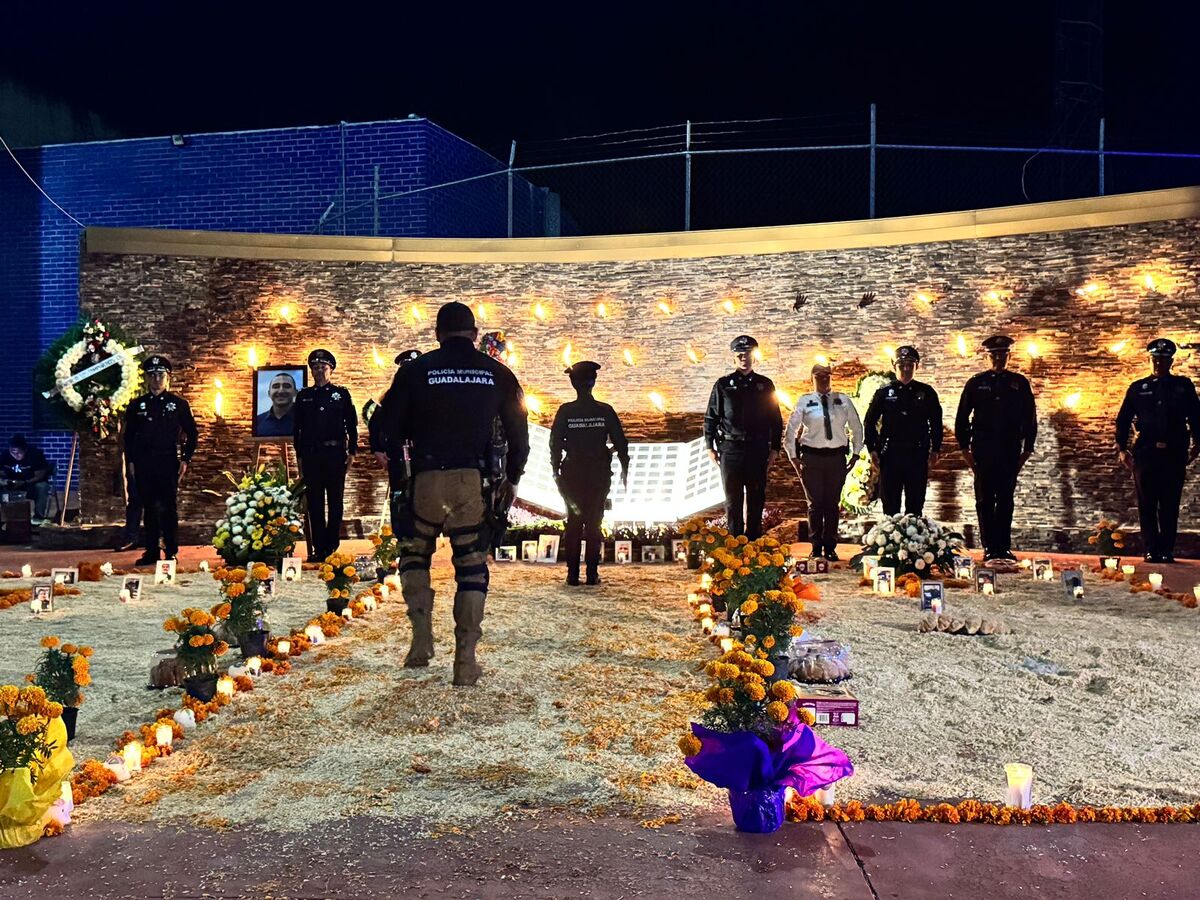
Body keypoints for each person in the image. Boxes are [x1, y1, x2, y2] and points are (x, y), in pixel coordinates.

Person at [379, 302, 529, 686]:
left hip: (426, 478)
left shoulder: (416, 371)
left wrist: (399, 470)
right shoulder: (497, 372)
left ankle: (421, 642)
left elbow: (384, 431)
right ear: (475, 334)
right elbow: (518, 437)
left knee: (414, 556)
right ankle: (465, 662)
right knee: (471, 567)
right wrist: (512, 479)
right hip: (471, 481)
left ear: (437, 334)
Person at [1115, 338, 1200, 563]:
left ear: (1170, 361)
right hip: (1146, 453)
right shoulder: (1138, 388)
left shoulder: (1183, 386)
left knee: (1170, 503)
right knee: (1147, 503)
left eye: (1163, 360)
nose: (1159, 364)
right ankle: (1151, 549)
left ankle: (1167, 549)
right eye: (1155, 359)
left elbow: (1196, 417)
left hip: (1174, 452)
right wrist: (1122, 448)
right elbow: (1123, 419)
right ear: (1150, 360)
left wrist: (1198, 443)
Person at [954, 335, 1037, 563]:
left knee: (1006, 500)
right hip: (983, 449)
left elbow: (1030, 418)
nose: (998, 359)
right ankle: (989, 546)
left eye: (1003, 355)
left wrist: (1027, 449)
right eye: (994, 355)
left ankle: (1004, 547)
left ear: (1009, 356)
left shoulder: (1019, 383)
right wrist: (964, 449)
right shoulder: (976, 383)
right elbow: (962, 417)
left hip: (1009, 448)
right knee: (985, 500)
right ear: (987, 357)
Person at [550, 361, 630, 586]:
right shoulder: (604, 410)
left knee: (574, 522)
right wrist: (623, 466)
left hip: (572, 473)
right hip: (598, 473)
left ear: (573, 383)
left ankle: (573, 575)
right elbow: (621, 442)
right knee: (594, 522)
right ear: (593, 382)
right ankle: (592, 574)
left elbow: (555, 442)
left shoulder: (566, 411)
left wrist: (555, 469)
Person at [703, 335, 783, 539]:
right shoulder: (723, 385)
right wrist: (709, 446)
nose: (744, 358)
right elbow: (711, 417)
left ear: (753, 356)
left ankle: (754, 542)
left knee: (757, 497)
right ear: (734, 357)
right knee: (733, 499)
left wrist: (775, 448)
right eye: (740, 355)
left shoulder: (765, 385)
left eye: (747, 354)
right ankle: (735, 543)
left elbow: (775, 418)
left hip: (757, 448)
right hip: (730, 448)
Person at [123, 356, 198, 565]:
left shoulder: (179, 404)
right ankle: (152, 550)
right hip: (144, 462)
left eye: (161, 375)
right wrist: (130, 462)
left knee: (168, 507)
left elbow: (192, 433)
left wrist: (186, 459)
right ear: (146, 378)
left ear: (168, 378)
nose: (156, 379)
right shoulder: (137, 405)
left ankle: (171, 550)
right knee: (149, 507)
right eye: (152, 375)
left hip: (167, 461)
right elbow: (129, 437)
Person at [785, 362, 864, 560]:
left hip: (836, 458)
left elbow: (856, 426)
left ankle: (830, 546)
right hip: (812, 458)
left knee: (832, 503)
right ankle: (816, 546)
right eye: (819, 376)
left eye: (827, 376)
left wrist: (856, 453)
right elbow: (791, 429)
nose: (823, 379)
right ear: (812, 378)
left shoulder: (842, 399)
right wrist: (793, 456)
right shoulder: (805, 401)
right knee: (815, 504)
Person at [293, 349, 357, 563]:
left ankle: (331, 544)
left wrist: (353, 452)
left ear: (331, 369)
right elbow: (297, 429)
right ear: (311, 371)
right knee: (315, 502)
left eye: (323, 366)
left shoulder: (341, 394)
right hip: (312, 455)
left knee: (336, 502)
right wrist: (299, 456)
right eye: (315, 367)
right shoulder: (303, 396)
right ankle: (319, 548)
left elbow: (352, 425)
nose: (319, 370)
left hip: (335, 453)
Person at [863, 345, 943, 515]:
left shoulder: (926, 392)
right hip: (891, 454)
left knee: (915, 503)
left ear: (916, 367)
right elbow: (869, 422)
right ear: (894, 366)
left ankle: (913, 540)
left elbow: (936, 422)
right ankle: (891, 539)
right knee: (890, 503)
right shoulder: (884, 393)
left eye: (910, 365)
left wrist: (936, 448)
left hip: (917, 454)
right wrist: (872, 448)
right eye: (902, 365)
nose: (906, 369)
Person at [370, 349, 422, 497]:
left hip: (423, 454)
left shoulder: (430, 394)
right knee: (398, 495)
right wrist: (378, 450)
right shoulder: (389, 397)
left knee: (423, 496)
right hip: (397, 453)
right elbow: (375, 425)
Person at [0, 435, 52, 525]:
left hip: (31, 484)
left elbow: (40, 475)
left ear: (25, 449)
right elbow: (1, 472)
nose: (16, 455)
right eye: (13, 452)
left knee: (42, 487)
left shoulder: (35, 455)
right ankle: (5, 518)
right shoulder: (5, 455)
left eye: (19, 452)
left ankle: (38, 517)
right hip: (11, 485)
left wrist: (24, 482)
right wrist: (4, 480)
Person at [254, 371, 299, 437]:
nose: (281, 391)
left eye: (286, 386)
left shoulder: (306, 418)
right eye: (276, 386)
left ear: (295, 392)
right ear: (269, 393)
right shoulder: (258, 421)